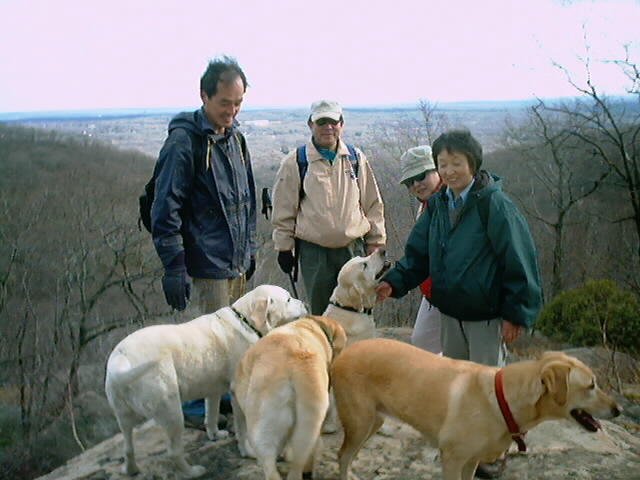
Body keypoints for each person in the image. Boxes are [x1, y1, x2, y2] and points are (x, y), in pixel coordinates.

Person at [376, 129, 542, 479]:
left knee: (491, 388)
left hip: (485, 317)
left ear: (472, 164)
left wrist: (516, 313)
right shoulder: (438, 205)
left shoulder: (493, 205)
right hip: (450, 314)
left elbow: (519, 261)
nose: (449, 171)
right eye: (443, 163)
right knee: (459, 389)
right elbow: (418, 256)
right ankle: (466, 448)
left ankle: (493, 454)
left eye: (456, 163)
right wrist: (393, 283)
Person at [151, 55, 256, 428]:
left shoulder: (235, 139)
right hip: (204, 260)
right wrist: (174, 265)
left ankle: (222, 400)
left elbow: (247, 200)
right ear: (204, 96)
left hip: (235, 259)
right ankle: (195, 409)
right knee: (209, 343)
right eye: (224, 102)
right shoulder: (185, 142)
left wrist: (250, 251)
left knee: (233, 340)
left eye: (238, 103)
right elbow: (166, 207)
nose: (231, 110)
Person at [271, 100, 386, 315]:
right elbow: (283, 211)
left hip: (353, 249)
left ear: (341, 124)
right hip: (315, 252)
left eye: (333, 122)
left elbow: (372, 204)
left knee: (358, 309)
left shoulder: (356, 159)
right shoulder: (296, 162)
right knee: (322, 313)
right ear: (310, 124)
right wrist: (284, 247)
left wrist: (376, 242)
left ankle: (356, 350)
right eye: (321, 122)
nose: (328, 127)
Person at [398, 145, 443, 354]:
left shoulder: (452, 199)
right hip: (432, 293)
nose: (416, 184)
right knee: (422, 343)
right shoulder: (425, 205)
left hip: (456, 293)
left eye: (421, 175)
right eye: (409, 181)